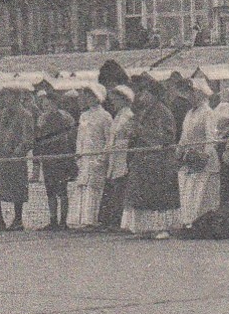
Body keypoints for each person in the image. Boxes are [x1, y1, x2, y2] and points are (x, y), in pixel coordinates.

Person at [122, 78, 181, 239]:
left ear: (153, 94)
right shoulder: (145, 111)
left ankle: (161, 227)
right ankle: (146, 227)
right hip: (144, 160)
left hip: (159, 160)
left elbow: (164, 138)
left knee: (159, 195)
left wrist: (139, 130)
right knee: (144, 194)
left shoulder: (162, 111)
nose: (141, 97)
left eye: (145, 93)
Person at [0, 88, 34, 231]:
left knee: (17, 190)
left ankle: (18, 220)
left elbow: (28, 140)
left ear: (16, 97)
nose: (4, 100)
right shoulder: (3, 114)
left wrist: (16, 153)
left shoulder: (25, 115)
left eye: (7, 96)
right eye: (3, 96)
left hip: (14, 159)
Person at [177, 79, 223, 228]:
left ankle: (202, 223)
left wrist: (204, 156)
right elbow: (184, 137)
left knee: (201, 192)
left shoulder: (208, 113)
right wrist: (178, 152)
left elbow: (211, 138)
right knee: (188, 190)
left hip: (204, 159)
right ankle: (188, 222)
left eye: (192, 94)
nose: (189, 97)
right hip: (190, 159)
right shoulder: (189, 113)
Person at [33, 91, 78, 230]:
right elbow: (38, 139)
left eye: (48, 104)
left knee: (62, 190)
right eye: (43, 105)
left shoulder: (65, 117)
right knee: (50, 190)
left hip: (61, 158)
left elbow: (71, 138)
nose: (45, 107)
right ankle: (53, 220)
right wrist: (37, 158)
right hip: (48, 159)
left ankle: (63, 221)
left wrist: (71, 158)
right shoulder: (41, 119)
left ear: (55, 104)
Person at [73, 85, 113, 229]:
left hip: (97, 158)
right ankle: (81, 220)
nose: (89, 99)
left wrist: (101, 159)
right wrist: (78, 155)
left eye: (92, 96)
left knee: (94, 189)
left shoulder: (106, 116)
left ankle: (93, 220)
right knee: (83, 186)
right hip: (84, 158)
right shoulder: (84, 116)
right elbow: (80, 137)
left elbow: (109, 140)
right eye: (87, 96)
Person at [98, 85, 135, 231]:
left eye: (115, 99)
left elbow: (129, 137)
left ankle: (119, 221)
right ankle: (111, 220)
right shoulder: (117, 116)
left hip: (122, 156)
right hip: (114, 156)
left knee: (121, 188)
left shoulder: (128, 115)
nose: (113, 103)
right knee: (114, 188)